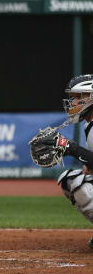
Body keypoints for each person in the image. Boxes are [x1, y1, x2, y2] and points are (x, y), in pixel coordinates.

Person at [50, 74, 93, 248]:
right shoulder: (88, 123)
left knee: (80, 185)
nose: (73, 103)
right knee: (70, 180)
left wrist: (71, 148)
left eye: (77, 98)